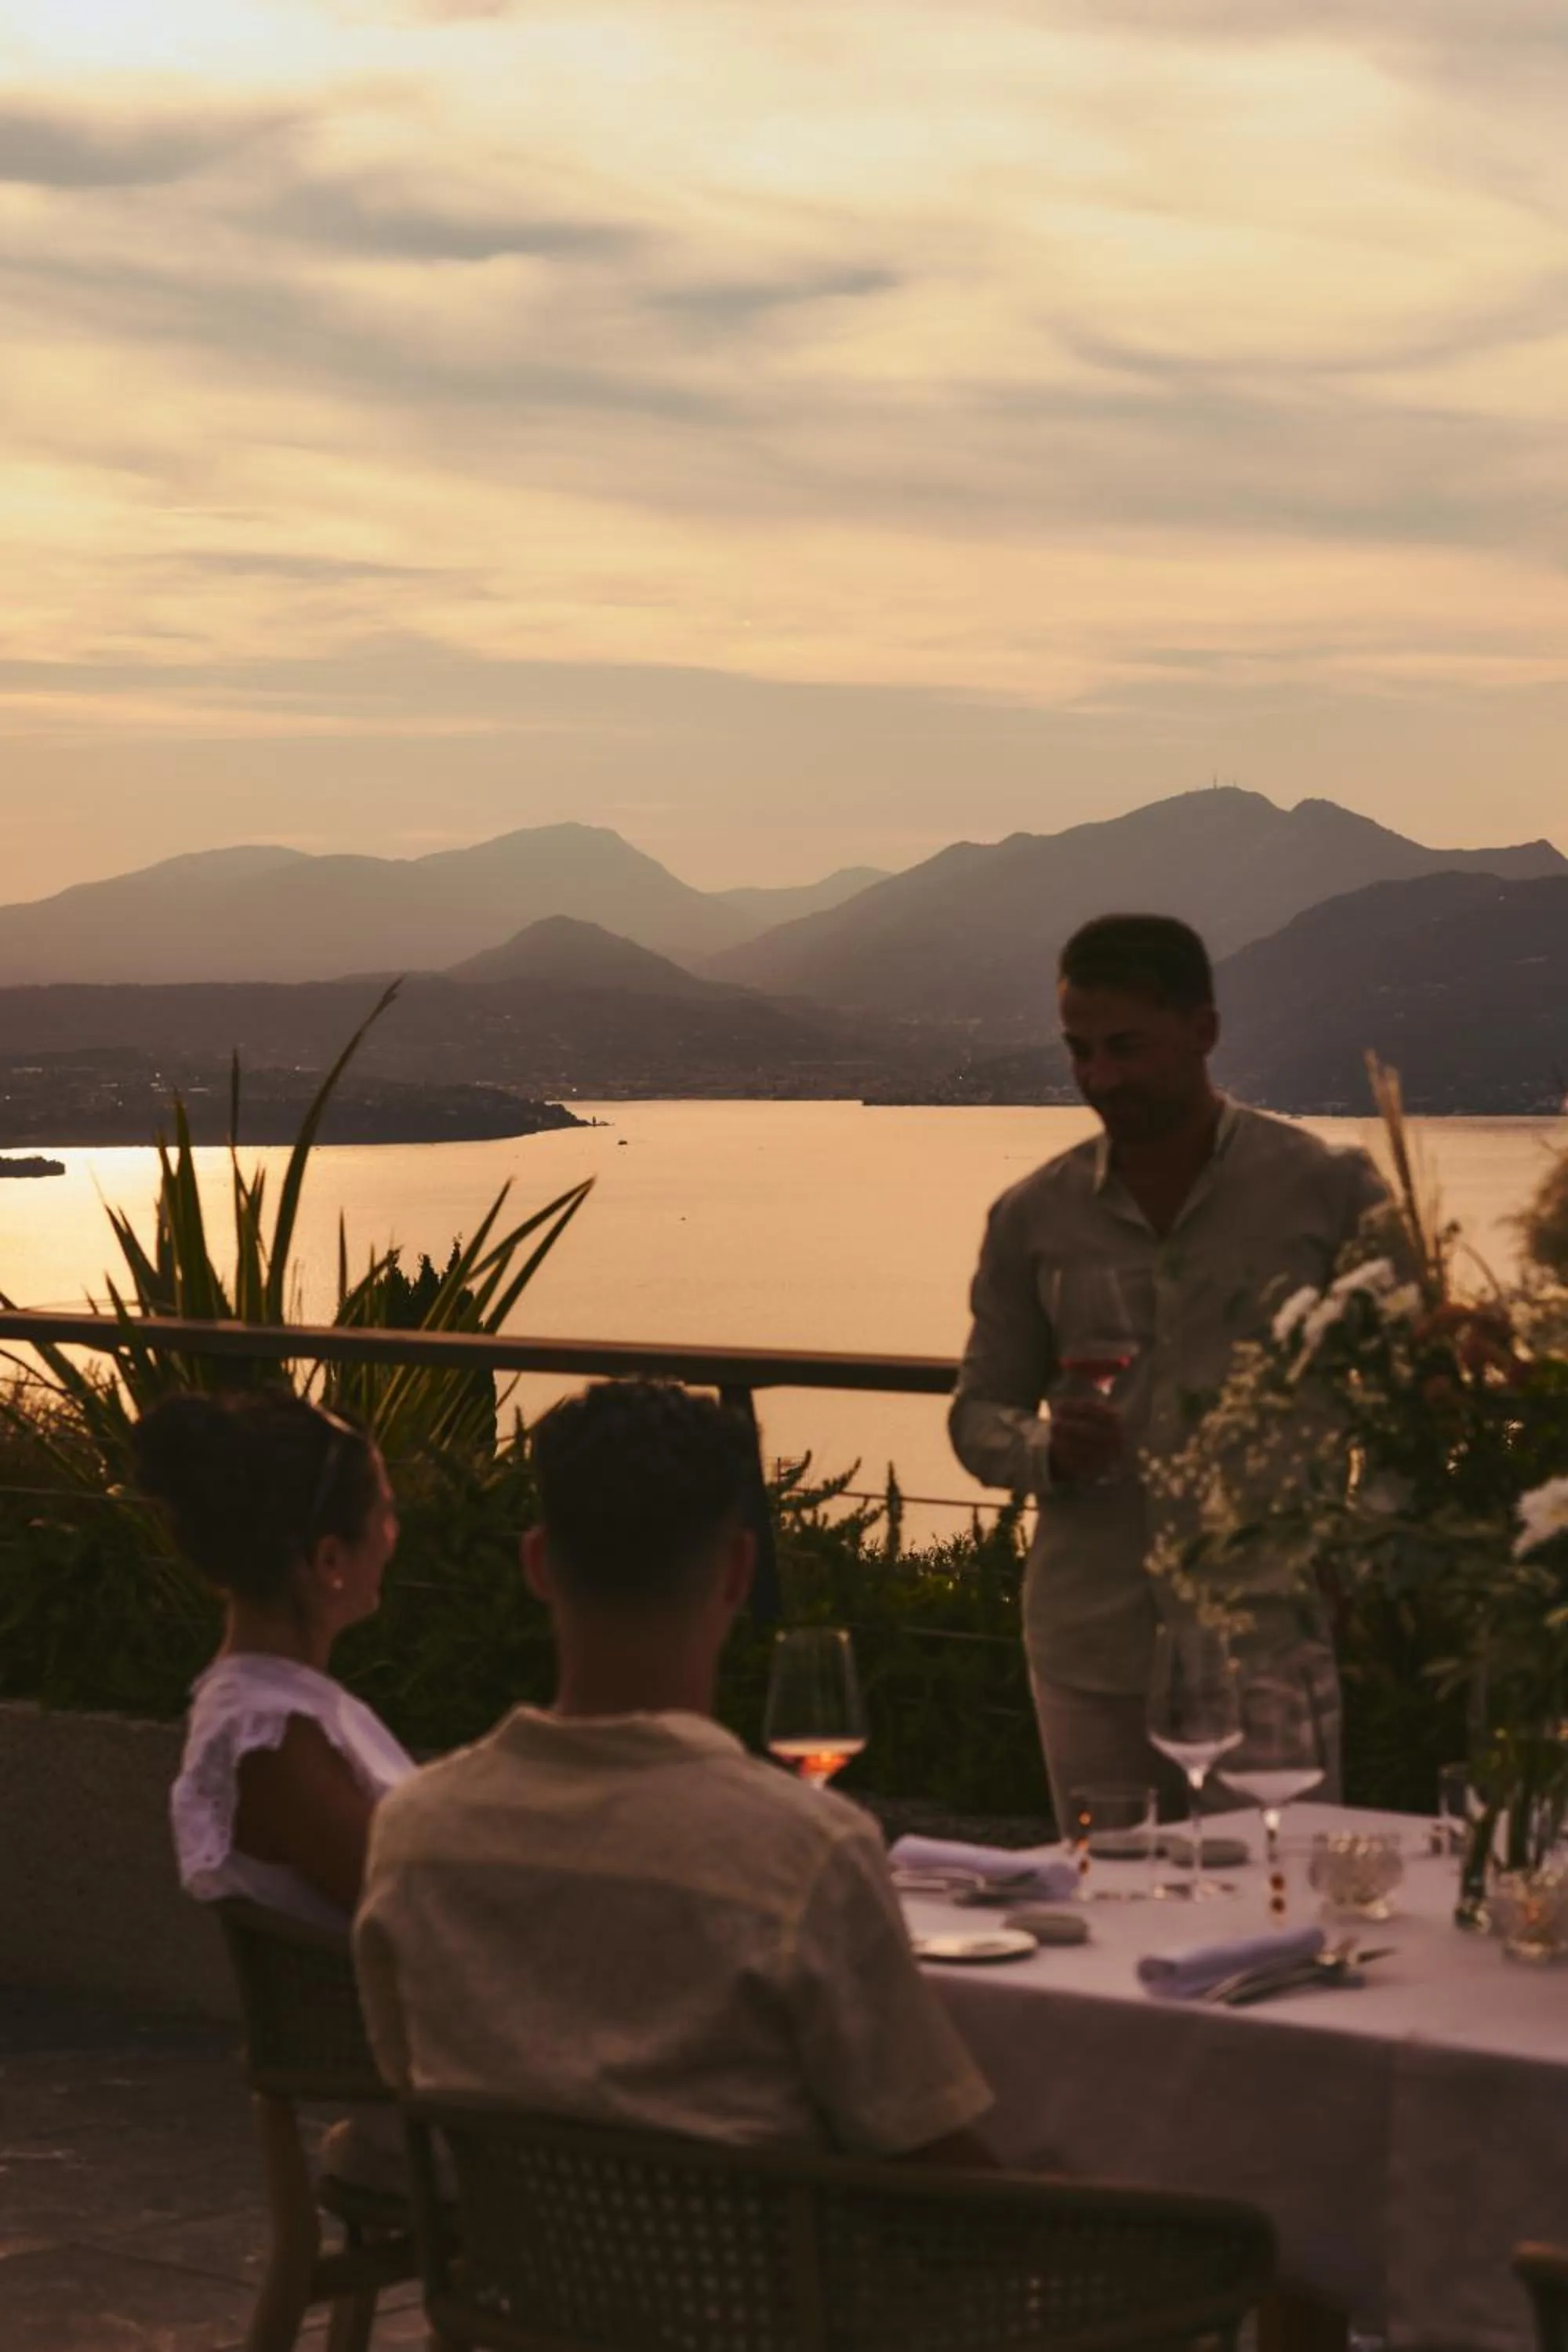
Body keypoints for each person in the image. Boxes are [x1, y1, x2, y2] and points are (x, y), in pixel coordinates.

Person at [354, 1379, 993, 2162]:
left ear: (537, 1565)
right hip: (766, 2284)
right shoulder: (806, 1853)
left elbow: (409, 2083)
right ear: (735, 1570)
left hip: (510, 2278)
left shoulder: (416, 1831)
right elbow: (922, 2144)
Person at [949, 913, 1388, 1822]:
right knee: (1107, 1923)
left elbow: (1403, 1406)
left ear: (1203, 1032)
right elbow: (978, 1411)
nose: (1097, 1078)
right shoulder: (1031, 1216)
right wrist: (1044, 1448)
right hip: (1087, 1646)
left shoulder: (1326, 1192)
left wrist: (1359, 1556)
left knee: (1280, 1911)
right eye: (1078, 1050)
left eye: (1124, 1047)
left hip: (1266, 1642)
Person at [135, 1388, 412, 1927]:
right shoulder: (276, 1740)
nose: (393, 1537)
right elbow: (417, 1910)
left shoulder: (275, 1704)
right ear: (330, 1559)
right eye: (384, 1515)